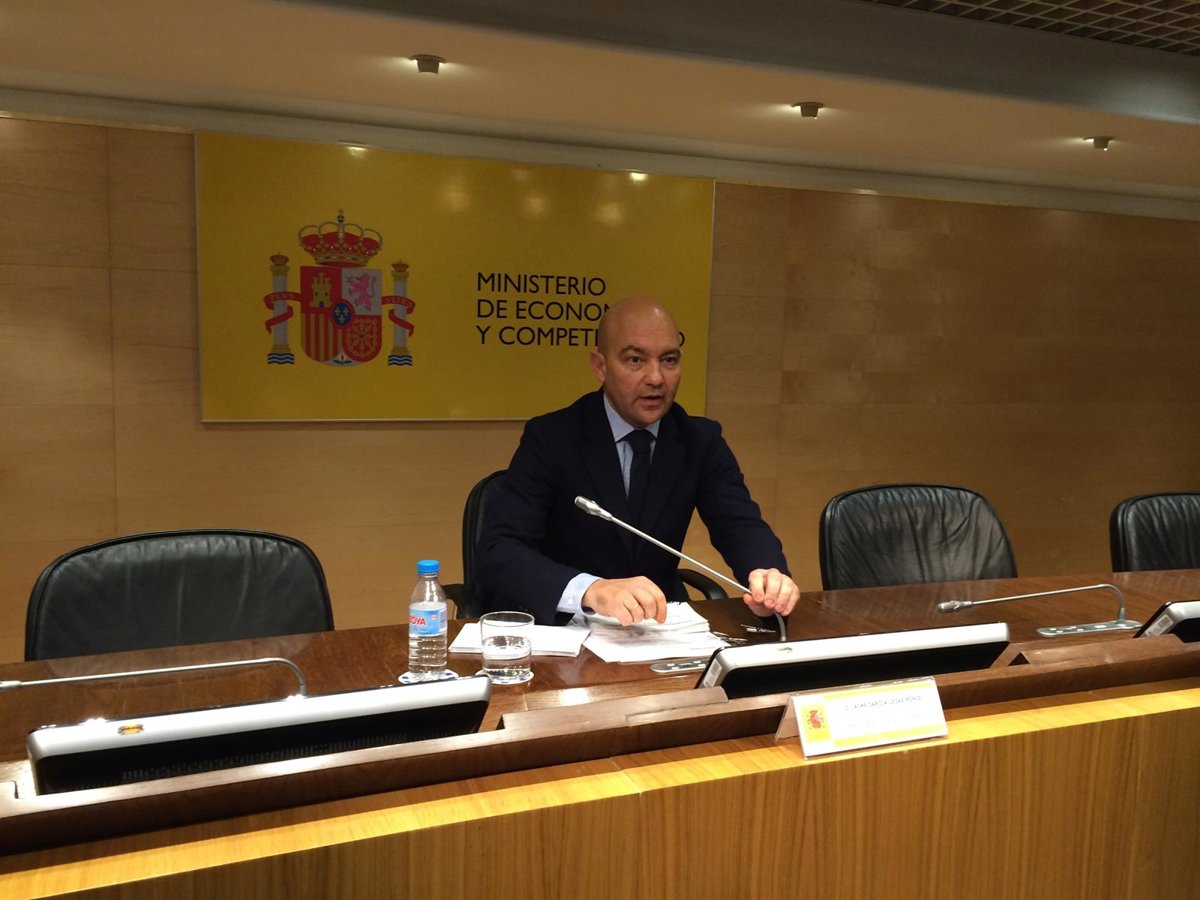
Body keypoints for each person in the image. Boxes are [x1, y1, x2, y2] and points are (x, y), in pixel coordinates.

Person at [476, 295, 800, 626]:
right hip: (569, 628)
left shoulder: (700, 440)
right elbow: (499, 550)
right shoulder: (552, 437)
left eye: (669, 360)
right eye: (635, 360)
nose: (656, 378)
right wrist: (591, 590)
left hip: (659, 627)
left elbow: (740, 525)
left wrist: (767, 575)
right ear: (600, 366)